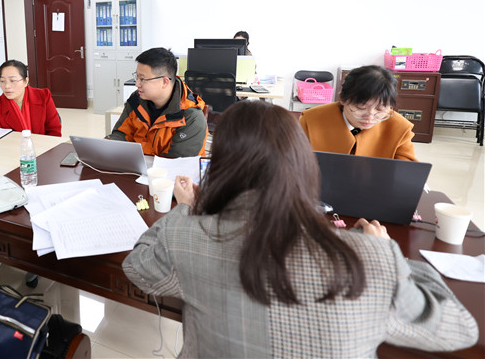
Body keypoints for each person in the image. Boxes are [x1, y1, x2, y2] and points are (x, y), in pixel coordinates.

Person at [123, 101, 477, 357]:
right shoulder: (372, 257)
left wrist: (186, 208)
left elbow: (137, 266)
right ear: (302, 161)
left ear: (220, 165)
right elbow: (458, 329)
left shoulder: (185, 237)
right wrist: (391, 254)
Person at [299, 65, 417, 161]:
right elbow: (295, 162)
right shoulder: (310, 120)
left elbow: (407, 170)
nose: (370, 117)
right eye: (361, 108)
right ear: (342, 99)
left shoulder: (400, 127)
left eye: (380, 109)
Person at [108, 47, 207, 157]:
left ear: (164, 82)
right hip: (138, 165)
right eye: (137, 77)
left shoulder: (191, 117)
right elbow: (121, 134)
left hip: (167, 168)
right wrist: (107, 148)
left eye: (142, 79)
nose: (137, 84)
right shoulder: (136, 100)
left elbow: (177, 162)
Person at [0, 60, 62, 137]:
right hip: (12, 145)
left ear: (26, 81)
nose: (6, 86)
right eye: (2, 81)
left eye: (12, 80)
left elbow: (54, 132)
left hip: (44, 144)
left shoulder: (43, 96)